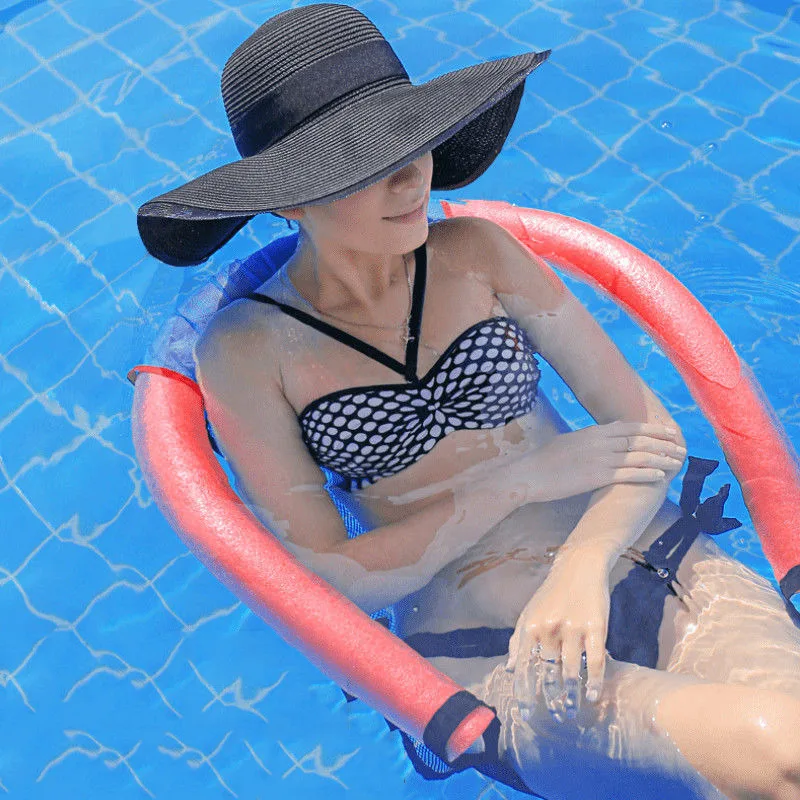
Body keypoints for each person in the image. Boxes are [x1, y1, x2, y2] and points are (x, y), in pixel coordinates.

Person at [137, 5, 800, 799]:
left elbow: (648, 428)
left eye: (410, 139)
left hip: (653, 557)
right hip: (493, 649)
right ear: (290, 201)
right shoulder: (246, 351)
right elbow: (329, 579)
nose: (410, 175)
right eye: (364, 164)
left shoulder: (480, 255)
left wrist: (583, 564)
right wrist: (517, 483)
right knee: (779, 755)